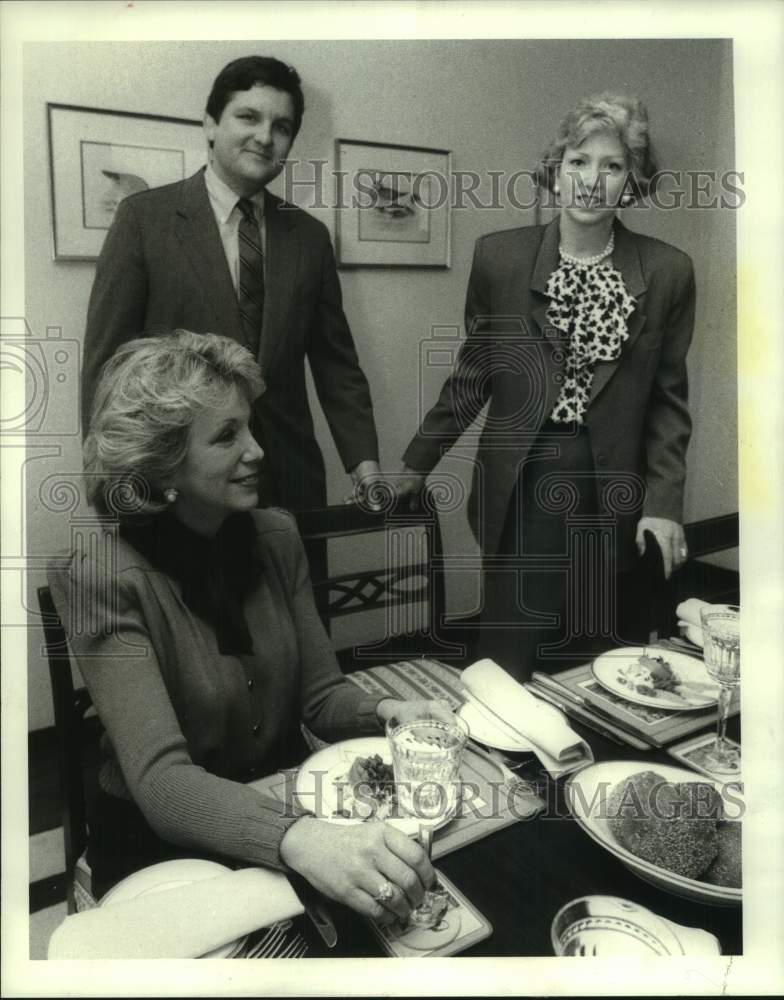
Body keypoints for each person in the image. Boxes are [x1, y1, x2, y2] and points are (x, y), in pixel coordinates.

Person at [49, 329, 445, 929]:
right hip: (164, 842)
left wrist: (389, 711)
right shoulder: (99, 576)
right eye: (227, 435)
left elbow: (320, 696)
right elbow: (162, 783)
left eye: (250, 426)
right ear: (162, 465)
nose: (257, 449)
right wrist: (301, 838)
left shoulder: (276, 538)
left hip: (287, 806)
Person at [397, 93, 695, 680]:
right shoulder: (500, 259)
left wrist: (663, 507)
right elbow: (475, 373)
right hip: (523, 476)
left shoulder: (667, 272)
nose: (591, 181)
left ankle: (590, 767)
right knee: (513, 653)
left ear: (631, 182)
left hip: (613, 484)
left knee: (598, 656)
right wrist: (416, 462)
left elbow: (668, 402)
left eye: (612, 167)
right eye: (578, 161)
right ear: (554, 172)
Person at [81, 55, 381, 532]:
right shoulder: (144, 220)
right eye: (248, 117)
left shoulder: (310, 237)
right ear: (210, 125)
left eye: (281, 126)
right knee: (192, 607)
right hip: (178, 484)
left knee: (297, 608)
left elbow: (336, 364)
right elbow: (107, 369)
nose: (265, 136)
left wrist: (364, 464)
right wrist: (112, 485)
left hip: (288, 482)